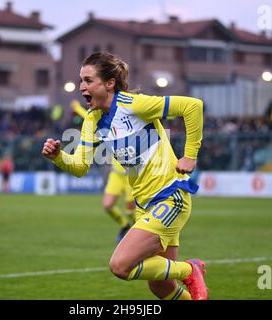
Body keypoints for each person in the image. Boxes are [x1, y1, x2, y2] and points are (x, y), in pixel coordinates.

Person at [42, 52, 208, 300]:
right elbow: (80, 166)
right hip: (145, 206)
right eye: (80, 81)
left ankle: (190, 269)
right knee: (161, 286)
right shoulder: (93, 119)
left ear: (109, 83)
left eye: (88, 80)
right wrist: (58, 156)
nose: (81, 87)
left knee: (120, 265)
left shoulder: (134, 105)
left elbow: (192, 106)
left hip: (170, 197)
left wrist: (190, 156)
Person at [71, 100, 135, 243]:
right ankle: (125, 226)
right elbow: (90, 116)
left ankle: (142, 232)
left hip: (132, 175)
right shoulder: (108, 126)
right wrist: (77, 107)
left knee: (131, 211)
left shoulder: (132, 126)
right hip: (117, 175)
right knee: (107, 205)